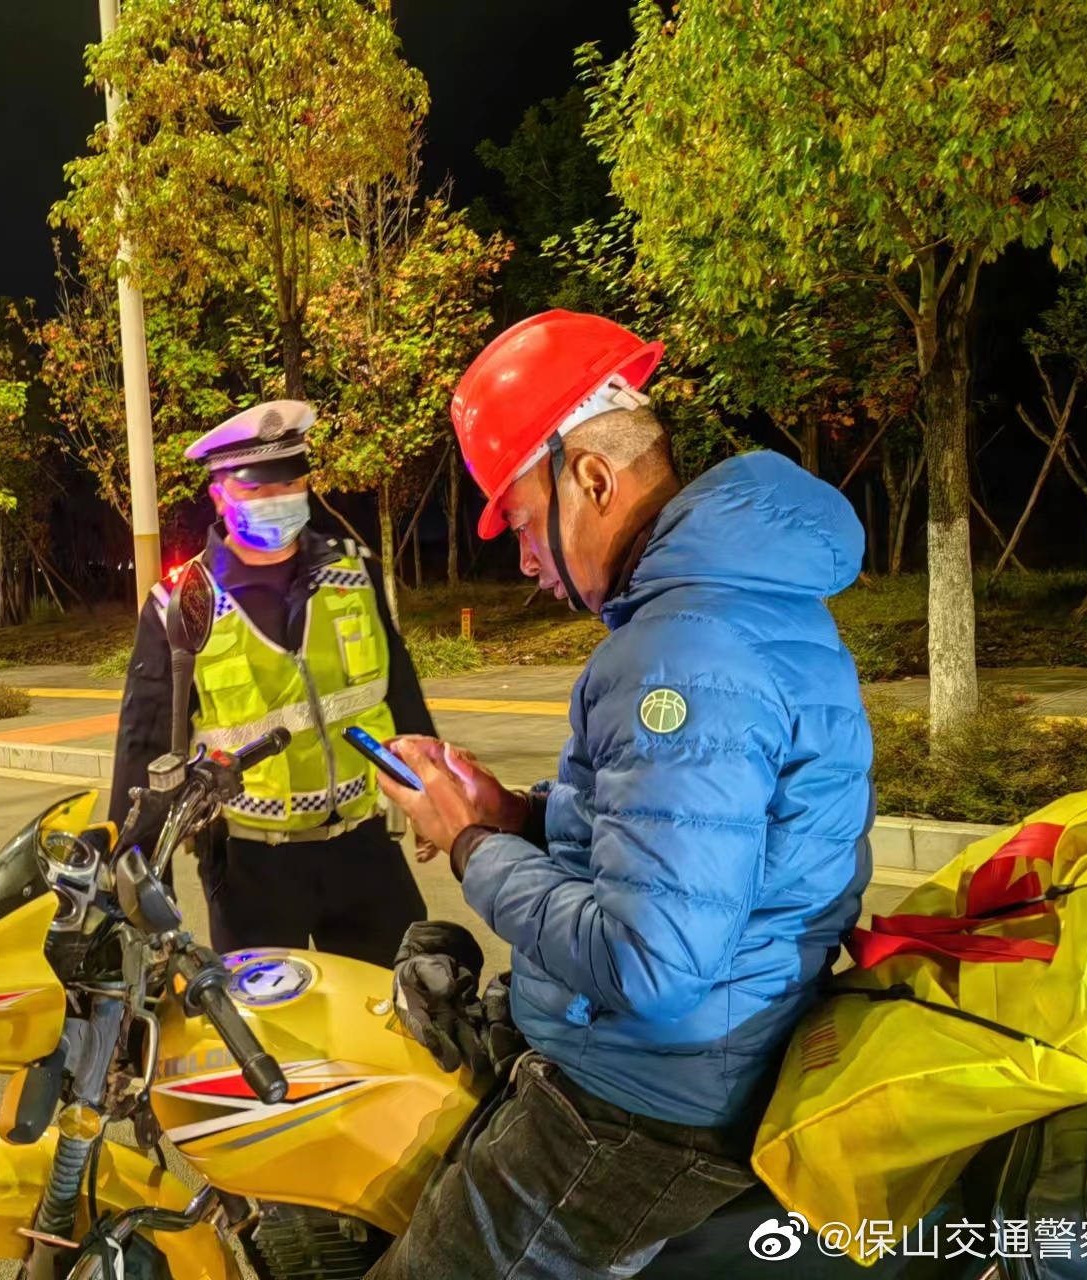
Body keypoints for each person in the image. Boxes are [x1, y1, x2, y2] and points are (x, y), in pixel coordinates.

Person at [370, 310, 874, 1279]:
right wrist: (516, 812)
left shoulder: (680, 650)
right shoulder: (742, 604)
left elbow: (651, 960)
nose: (521, 557)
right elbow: (682, 841)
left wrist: (472, 845)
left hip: (638, 1101)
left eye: (518, 519)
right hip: (712, 1049)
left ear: (590, 477)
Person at [108, 400, 433, 967]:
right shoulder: (180, 603)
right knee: (272, 1042)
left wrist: (432, 795)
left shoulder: (353, 572)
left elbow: (397, 689)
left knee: (398, 1020)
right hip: (249, 867)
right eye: (257, 488)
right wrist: (135, 880)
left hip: (365, 851)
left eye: (291, 483)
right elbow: (145, 749)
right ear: (219, 493)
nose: (277, 499)